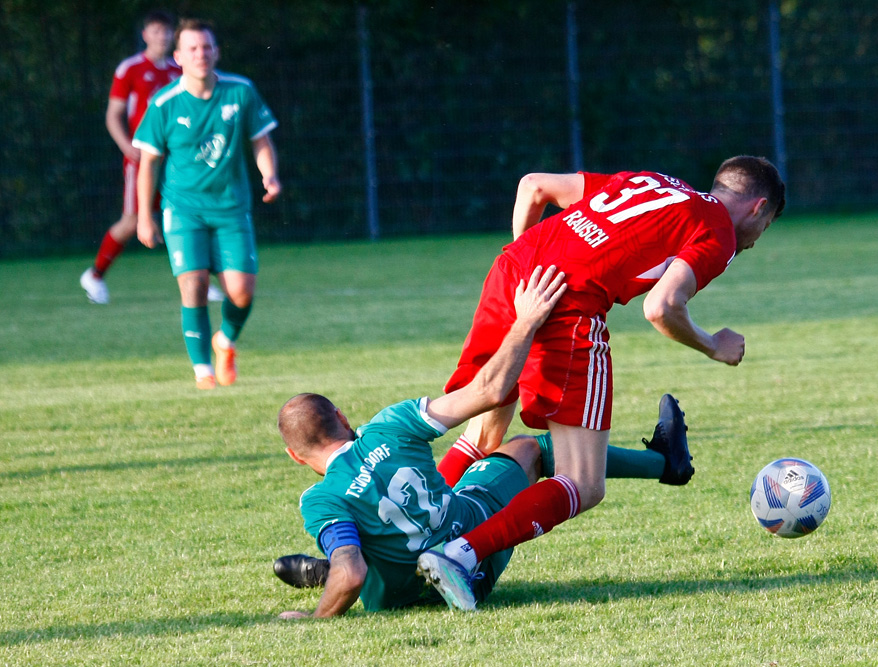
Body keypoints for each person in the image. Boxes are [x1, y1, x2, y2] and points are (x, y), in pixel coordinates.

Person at [418, 156, 785, 610]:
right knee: (584, 482)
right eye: (764, 229)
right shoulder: (720, 231)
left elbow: (533, 185)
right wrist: (714, 345)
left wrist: (535, 268)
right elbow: (661, 307)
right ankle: (459, 555)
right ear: (758, 208)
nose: (754, 242)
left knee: (484, 431)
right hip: (569, 307)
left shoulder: (651, 181)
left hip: (516, 272)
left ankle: (414, 528)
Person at [276, 266, 568, 616]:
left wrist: (317, 619)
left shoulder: (321, 497)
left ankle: (330, 570)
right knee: (527, 450)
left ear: (295, 456)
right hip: (463, 556)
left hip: (396, 587)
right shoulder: (387, 426)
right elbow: (489, 392)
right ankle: (652, 463)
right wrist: (525, 324)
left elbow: (353, 571)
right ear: (341, 417)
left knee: (367, 533)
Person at [133, 18, 281, 389]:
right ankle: (203, 371)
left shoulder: (240, 91)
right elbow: (148, 163)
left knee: (242, 291)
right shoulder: (164, 103)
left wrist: (269, 175)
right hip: (183, 210)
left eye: (207, 47)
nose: (201, 54)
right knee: (194, 285)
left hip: (232, 208)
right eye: (193, 48)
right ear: (179, 56)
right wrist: (144, 217)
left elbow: (260, 140)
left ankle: (225, 341)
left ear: (216, 52)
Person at [80, 11, 229, 305]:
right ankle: (95, 274)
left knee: (191, 212)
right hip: (144, 158)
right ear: (145, 35)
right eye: (156, 31)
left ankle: (201, 279)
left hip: (179, 160)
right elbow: (114, 114)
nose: (161, 35)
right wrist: (126, 146)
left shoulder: (179, 69)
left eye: (166, 31)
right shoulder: (130, 69)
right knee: (134, 220)